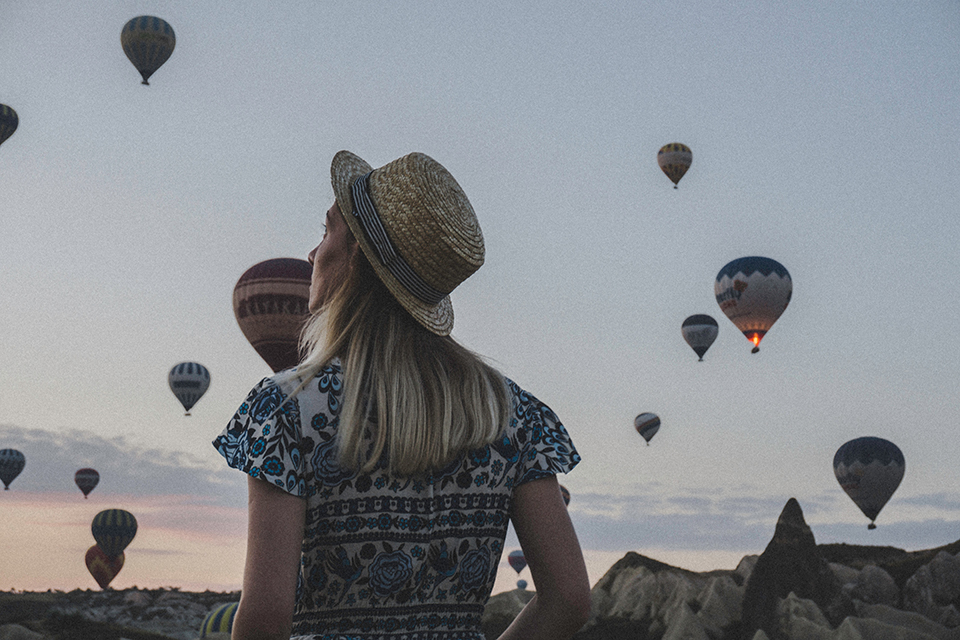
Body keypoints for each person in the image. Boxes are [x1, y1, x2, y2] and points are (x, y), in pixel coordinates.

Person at [214, 151, 590, 640]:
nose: (312, 254)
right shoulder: (513, 414)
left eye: (327, 231)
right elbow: (569, 599)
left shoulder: (285, 409)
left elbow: (265, 618)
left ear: (358, 261)